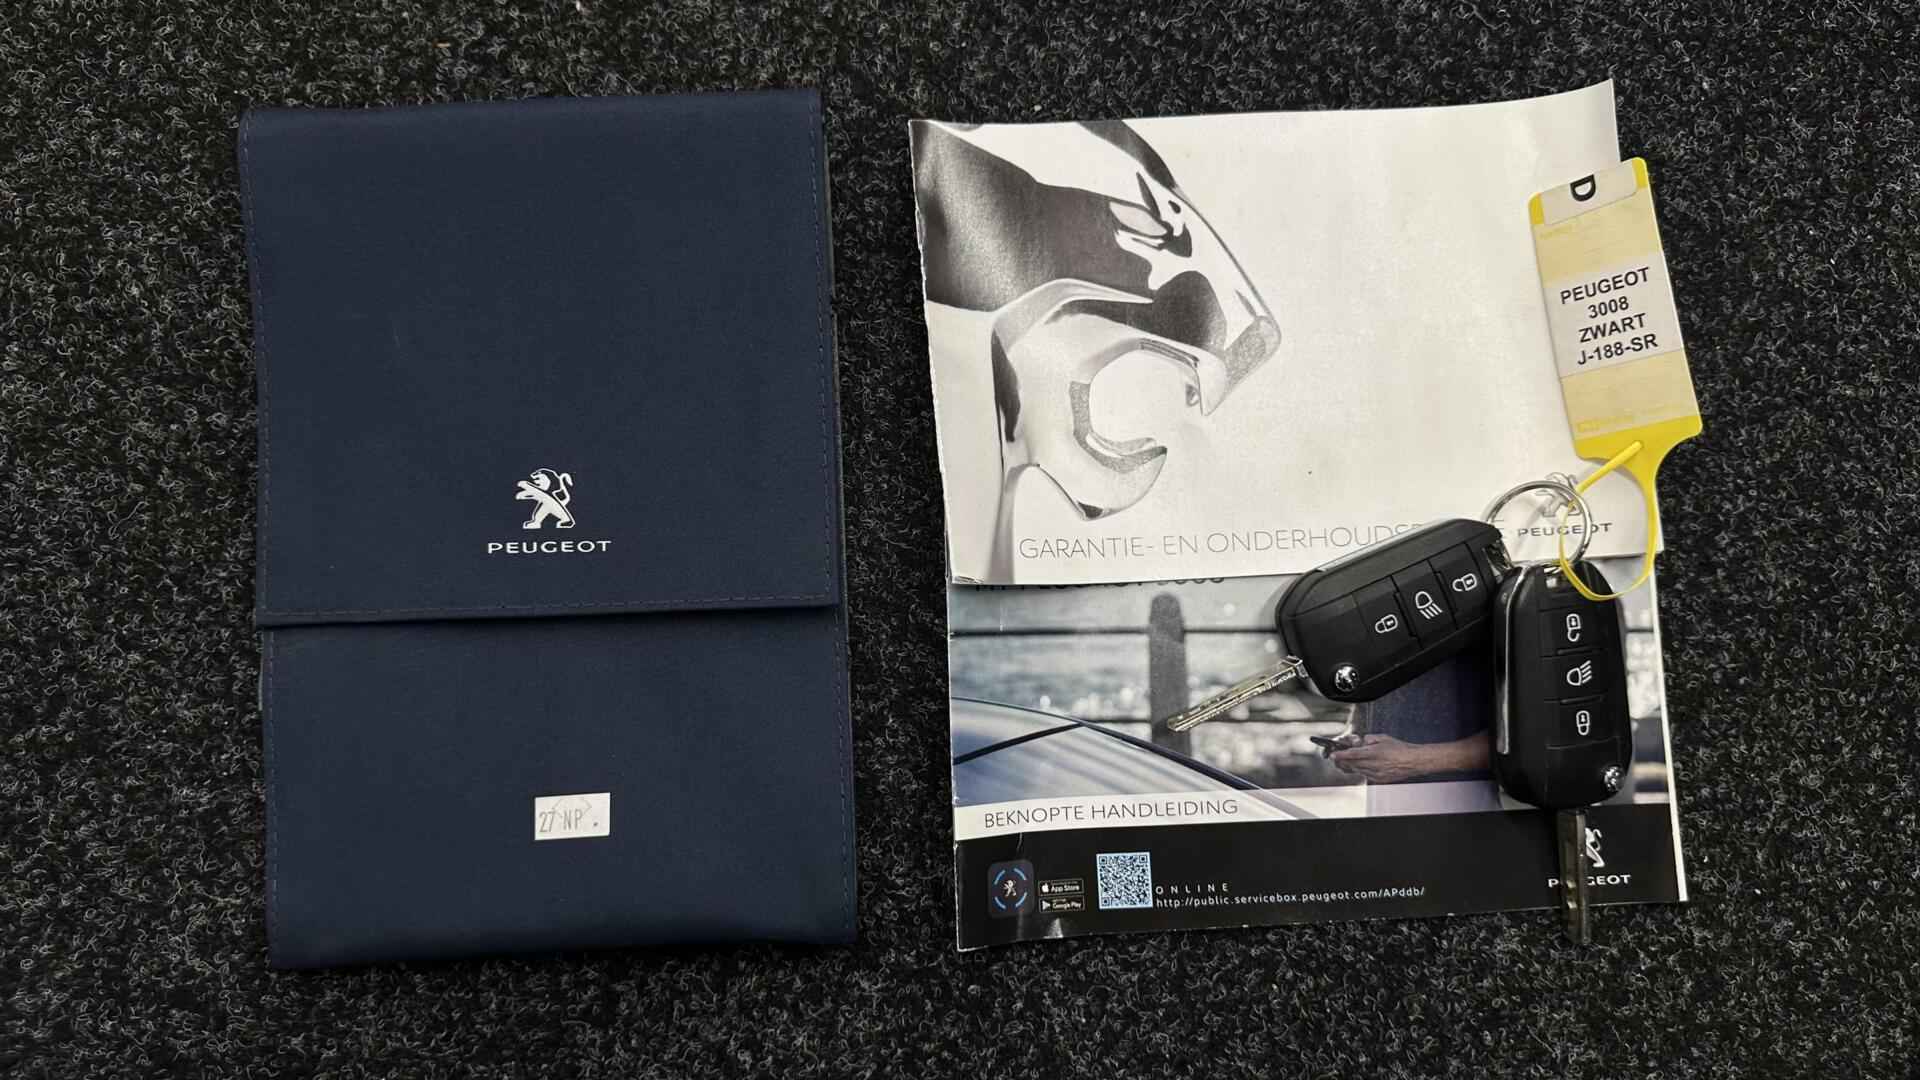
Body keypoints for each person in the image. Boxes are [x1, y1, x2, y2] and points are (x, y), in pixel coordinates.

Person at [1328, 645, 1501, 815]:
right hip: (1384, 810)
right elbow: (1368, 699)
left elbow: (1513, 742)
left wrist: (1414, 761)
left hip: (1460, 813)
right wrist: (1357, 742)